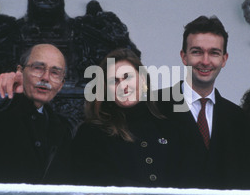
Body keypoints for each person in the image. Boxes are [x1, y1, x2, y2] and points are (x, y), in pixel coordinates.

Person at [157, 15, 250, 190]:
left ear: (224, 59)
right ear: (184, 57)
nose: (205, 61)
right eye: (197, 52)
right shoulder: (153, 107)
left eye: (214, 53)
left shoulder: (240, 120)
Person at [68, 48, 184, 187]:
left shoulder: (167, 123)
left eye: (127, 77)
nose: (123, 86)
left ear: (142, 79)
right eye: (114, 81)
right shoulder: (92, 132)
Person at [0, 43, 73, 184]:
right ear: (20, 71)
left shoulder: (63, 128)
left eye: (55, 73)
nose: (45, 77)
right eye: (38, 68)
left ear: (61, 85)